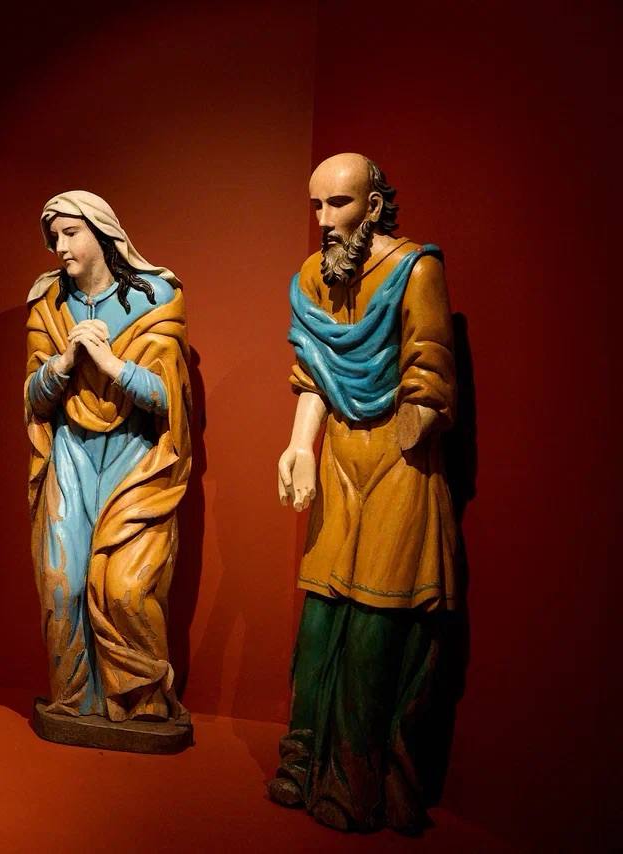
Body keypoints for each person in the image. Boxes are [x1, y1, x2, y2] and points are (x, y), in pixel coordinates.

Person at [269, 153, 458, 833]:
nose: (324, 220)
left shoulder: (416, 269)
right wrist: (301, 445)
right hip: (340, 457)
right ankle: (302, 764)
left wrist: (415, 416)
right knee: (321, 614)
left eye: (338, 204)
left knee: (379, 617)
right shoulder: (313, 277)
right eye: (316, 206)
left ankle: (357, 781)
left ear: (373, 206)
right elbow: (315, 372)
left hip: (401, 461)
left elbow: (430, 368)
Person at [25, 191, 192, 726]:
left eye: (71, 233)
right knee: (62, 583)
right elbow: (33, 399)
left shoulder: (157, 296)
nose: (60, 247)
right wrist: (65, 360)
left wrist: (110, 363)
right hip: (71, 455)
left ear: (103, 232)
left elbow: (168, 399)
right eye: (54, 237)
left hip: (136, 460)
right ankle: (75, 700)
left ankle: (140, 700)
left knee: (125, 589)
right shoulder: (49, 304)